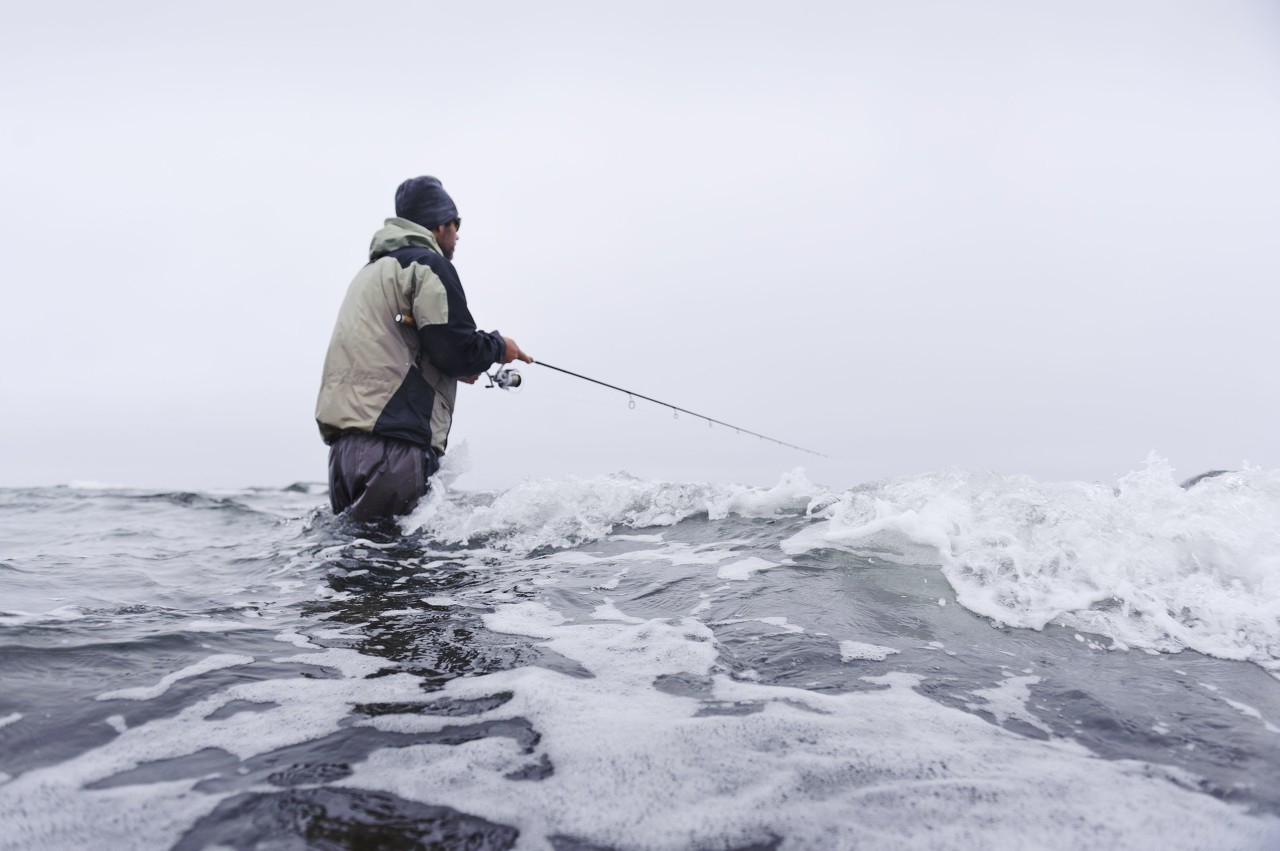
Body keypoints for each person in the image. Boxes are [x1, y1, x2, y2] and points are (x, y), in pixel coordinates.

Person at [315, 176, 531, 522]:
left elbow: (405, 346)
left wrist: (453, 367)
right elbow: (455, 347)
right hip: (394, 449)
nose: (458, 234)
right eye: (456, 224)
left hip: (344, 454)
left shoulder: (369, 273)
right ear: (440, 223)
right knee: (399, 569)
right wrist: (497, 346)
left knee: (356, 564)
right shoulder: (428, 265)